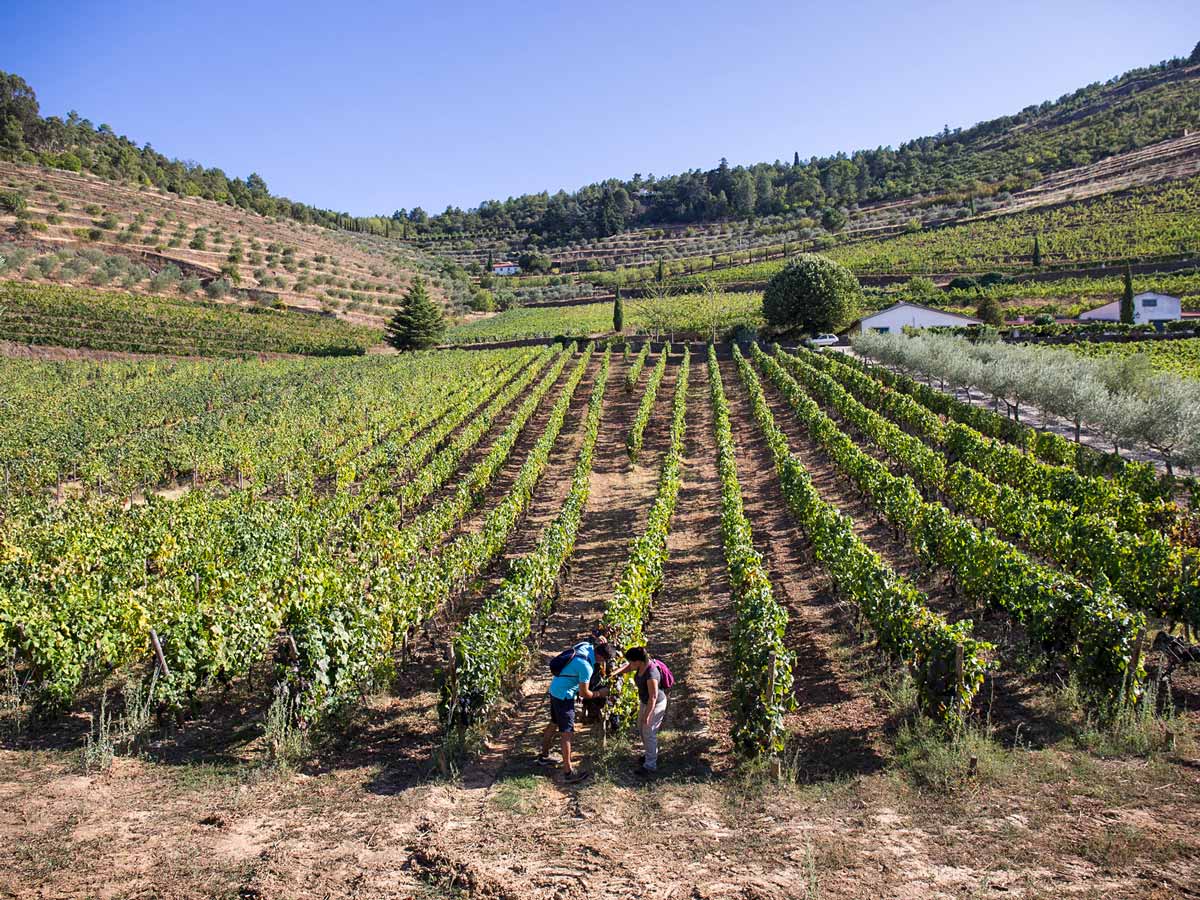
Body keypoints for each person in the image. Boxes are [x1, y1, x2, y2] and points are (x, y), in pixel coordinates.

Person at [537, 640, 615, 783]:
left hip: (555, 689)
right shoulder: (586, 667)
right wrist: (600, 693)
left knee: (554, 722)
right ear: (600, 657)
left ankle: (544, 756)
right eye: (604, 661)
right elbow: (585, 693)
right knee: (567, 733)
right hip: (564, 696)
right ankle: (568, 773)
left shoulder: (585, 646)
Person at [609, 646, 669, 775]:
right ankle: (648, 754)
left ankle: (650, 765)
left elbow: (653, 697)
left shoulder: (652, 674)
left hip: (656, 704)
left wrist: (647, 715)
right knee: (641, 729)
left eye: (631, 661)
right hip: (645, 702)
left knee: (649, 732)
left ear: (639, 661)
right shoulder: (640, 665)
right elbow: (628, 668)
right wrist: (615, 673)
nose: (630, 664)